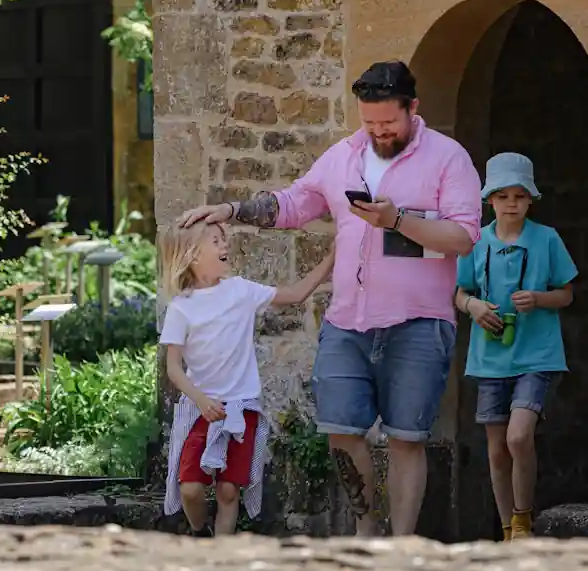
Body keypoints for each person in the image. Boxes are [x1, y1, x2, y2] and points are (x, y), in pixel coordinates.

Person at [178, 60, 482, 536]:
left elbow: (463, 238)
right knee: (340, 431)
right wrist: (231, 210)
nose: (379, 132)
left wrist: (398, 221)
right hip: (347, 321)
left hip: (418, 322)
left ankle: (399, 548)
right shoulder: (343, 155)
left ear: (413, 108)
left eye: (389, 122)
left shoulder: (448, 158)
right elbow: (295, 203)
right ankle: (365, 529)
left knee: (406, 439)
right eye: (370, 123)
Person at [158, 220, 334, 537]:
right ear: (192, 255)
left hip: (242, 407)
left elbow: (295, 294)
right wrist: (200, 398)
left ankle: (222, 559)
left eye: (223, 240)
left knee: (228, 491)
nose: (225, 246)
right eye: (215, 241)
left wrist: (332, 257)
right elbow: (173, 367)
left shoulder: (241, 291)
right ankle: (200, 533)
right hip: (201, 409)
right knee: (191, 489)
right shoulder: (181, 308)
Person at [453, 153, 576, 542]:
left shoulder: (547, 239)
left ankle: (523, 518)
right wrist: (473, 306)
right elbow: (459, 292)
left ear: (530, 200)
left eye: (520, 196)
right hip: (490, 356)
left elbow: (567, 294)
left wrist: (539, 299)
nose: (511, 203)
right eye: (503, 196)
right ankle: (509, 530)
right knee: (495, 450)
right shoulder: (476, 241)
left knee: (518, 437)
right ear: (490, 200)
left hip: (536, 354)